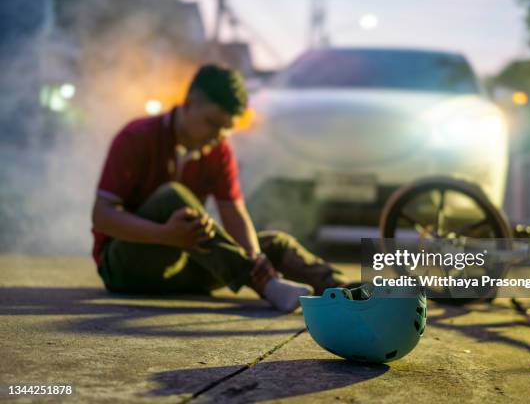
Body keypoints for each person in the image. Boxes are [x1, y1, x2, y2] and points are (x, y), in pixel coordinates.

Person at [91, 64, 343, 312]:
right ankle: (264, 282)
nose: (219, 135)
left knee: (272, 244)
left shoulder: (218, 150)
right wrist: (164, 234)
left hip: (184, 271)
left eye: (227, 128)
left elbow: (233, 213)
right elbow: (102, 217)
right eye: (212, 123)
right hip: (127, 270)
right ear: (189, 104)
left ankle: (344, 292)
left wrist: (255, 257)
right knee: (173, 196)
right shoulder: (136, 137)